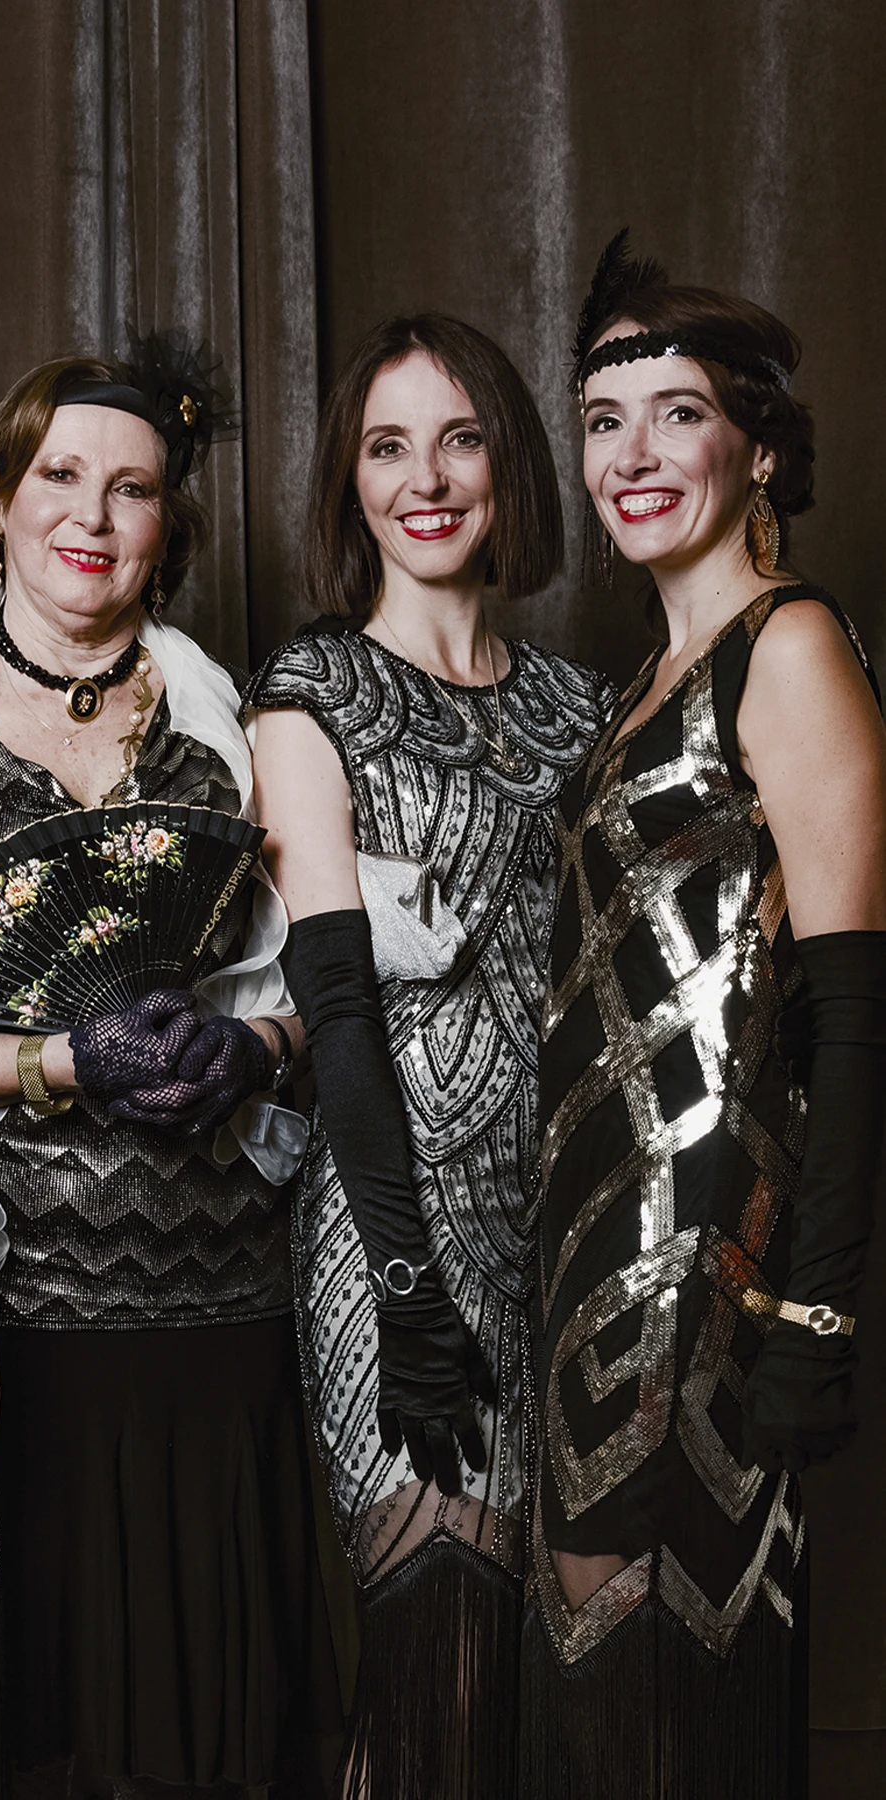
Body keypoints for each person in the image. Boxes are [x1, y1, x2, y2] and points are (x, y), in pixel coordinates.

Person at [0, 337, 341, 1798]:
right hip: (26, 1315)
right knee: (48, 1734)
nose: (93, 513)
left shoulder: (234, 718)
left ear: (166, 528)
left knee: (217, 1732)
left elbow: (333, 991)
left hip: (228, 1300)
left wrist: (250, 1044)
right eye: (60, 474)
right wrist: (62, 1059)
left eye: (132, 488)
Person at [522, 234, 886, 1800]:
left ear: (756, 447)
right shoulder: (646, 681)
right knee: (608, 1684)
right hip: (589, 1249)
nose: (633, 455)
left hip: (713, 1256)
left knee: (681, 1684)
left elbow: (863, 1014)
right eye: (604, 421)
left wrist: (818, 1313)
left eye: (676, 414)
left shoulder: (786, 648)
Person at [244, 313, 613, 1798]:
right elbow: (335, 1013)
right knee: (432, 1662)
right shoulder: (308, 695)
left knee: (520, 1680)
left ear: (509, 459)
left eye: (459, 438)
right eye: (388, 447)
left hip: (555, 1229)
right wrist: (403, 1290)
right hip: (389, 1225)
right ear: (349, 483)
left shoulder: (581, 709)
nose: (427, 478)